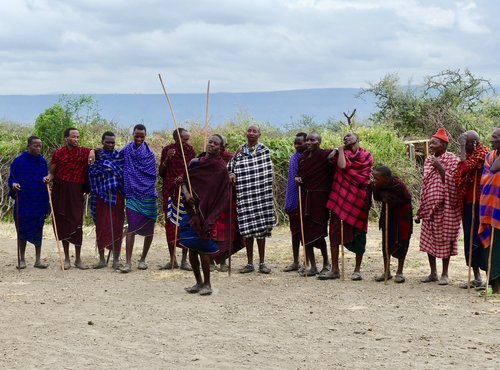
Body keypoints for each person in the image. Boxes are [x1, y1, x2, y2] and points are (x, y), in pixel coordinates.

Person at [178, 135, 230, 295]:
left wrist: (212, 216)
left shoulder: (221, 168)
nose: (212, 145)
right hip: (191, 210)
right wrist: (187, 195)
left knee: (203, 249)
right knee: (191, 246)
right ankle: (198, 282)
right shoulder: (195, 163)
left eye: (216, 144)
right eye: (210, 142)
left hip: (207, 213)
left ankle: (207, 284)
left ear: (221, 149)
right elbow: (182, 180)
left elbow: (223, 195)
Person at [321, 132, 373, 280]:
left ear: (358, 138)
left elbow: (365, 177)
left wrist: (340, 150)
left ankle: (357, 270)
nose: (346, 138)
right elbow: (342, 165)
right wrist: (340, 150)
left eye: (349, 136)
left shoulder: (366, 156)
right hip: (340, 198)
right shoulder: (340, 154)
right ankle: (335, 269)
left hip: (359, 199)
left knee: (359, 233)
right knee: (334, 233)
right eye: (344, 137)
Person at [416, 128, 461, 285]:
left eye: (434, 143)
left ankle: (445, 273)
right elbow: (425, 184)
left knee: (445, 240)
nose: (431, 145)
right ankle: (433, 272)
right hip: (429, 208)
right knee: (429, 240)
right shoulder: (428, 160)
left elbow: (455, 183)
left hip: (445, 207)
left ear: (443, 144)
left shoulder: (452, 159)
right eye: (431, 142)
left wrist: (440, 167)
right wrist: (421, 208)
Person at [228, 125, 275, 274]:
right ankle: (249, 263)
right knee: (247, 231)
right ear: (245, 133)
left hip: (261, 196)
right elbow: (230, 167)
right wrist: (232, 174)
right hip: (245, 195)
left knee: (261, 231)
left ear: (259, 134)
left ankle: (262, 263)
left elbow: (267, 171)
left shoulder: (263, 150)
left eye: (254, 131)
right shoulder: (240, 151)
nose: (251, 133)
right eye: (249, 130)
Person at [47, 127, 92, 270]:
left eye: (78, 137)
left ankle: (78, 259)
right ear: (66, 138)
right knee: (63, 222)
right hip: (60, 192)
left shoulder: (84, 151)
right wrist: (48, 178)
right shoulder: (58, 153)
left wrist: (92, 152)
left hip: (76, 191)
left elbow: (97, 151)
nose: (76, 139)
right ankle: (66, 259)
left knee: (78, 224)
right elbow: (52, 173)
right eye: (73, 137)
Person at [119, 124, 158, 273]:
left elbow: (151, 175)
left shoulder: (150, 154)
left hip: (148, 195)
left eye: (142, 135)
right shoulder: (126, 150)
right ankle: (128, 263)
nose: (139, 138)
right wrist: (93, 152)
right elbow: (115, 158)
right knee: (132, 227)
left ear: (145, 136)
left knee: (149, 229)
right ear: (133, 134)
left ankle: (142, 259)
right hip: (132, 195)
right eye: (137, 135)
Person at [8, 136, 50, 269]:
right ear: (28, 146)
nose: (38, 148)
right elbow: (11, 179)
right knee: (22, 230)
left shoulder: (42, 161)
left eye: (40, 146)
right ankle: (22, 260)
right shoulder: (19, 161)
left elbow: (45, 177)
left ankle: (38, 260)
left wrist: (47, 179)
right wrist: (14, 185)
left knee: (38, 228)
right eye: (35, 146)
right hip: (24, 200)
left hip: (38, 201)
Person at [455, 131, 489, 288]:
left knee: (481, 238)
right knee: (469, 239)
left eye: (466, 144)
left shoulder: (483, 153)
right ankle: (476, 278)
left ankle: (490, 278)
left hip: (481, 204)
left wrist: (462, 148)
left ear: (474, 143)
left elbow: (465, 167)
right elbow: (459, 172)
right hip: (467, 204)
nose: (464, 148)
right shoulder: (469, 155)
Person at [295, 133, 332, 276]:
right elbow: (300, 174)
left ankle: (326, 263)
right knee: (305, 233)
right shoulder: (303, 157)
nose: (309, 142)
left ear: (319, 142)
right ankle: (313, 266)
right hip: (304, 197)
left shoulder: (325, 154)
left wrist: (334, 152)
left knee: (318, 232)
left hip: (319, 198)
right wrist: (298, 178)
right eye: (308, 140)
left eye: (313, 140)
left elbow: (336, 151)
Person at [159, 128, 195, 271]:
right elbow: (161, 172)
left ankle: (185, 261)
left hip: (185, 191)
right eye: (184, 139)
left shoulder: (190, 151)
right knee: (170, 225)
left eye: (187, 139)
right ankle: (172, 259)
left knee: (184, 224)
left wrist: (183, 178)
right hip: (170, 191)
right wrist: (168, 158)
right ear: (175, 138)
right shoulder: (168, 150)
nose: (186, 142)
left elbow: (192, 170)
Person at [88, 131, 125, 269]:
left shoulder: (119, 156)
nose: (110, 144)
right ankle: (102, 259)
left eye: (112, 142)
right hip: (100, 196)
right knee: (101, 226)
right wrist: (93, 151)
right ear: (102, 142)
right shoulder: (96, 156)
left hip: (117, 196)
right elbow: (92, 173)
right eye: (108, 142)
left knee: (117, 227)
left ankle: (116, 260)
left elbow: (123, 175)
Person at [372, 166, 413, 283]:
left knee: (401, 242)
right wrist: (382, 197)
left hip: (401, 217)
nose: (374, 180)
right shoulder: (379, 186)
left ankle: (399, 272)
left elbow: (407, 199)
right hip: (388, 216)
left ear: (386, 178)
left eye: (377, 178)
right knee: (386, 242)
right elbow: (377, 196)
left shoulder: (398, 186)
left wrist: (390, 199)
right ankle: (386, 271)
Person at [477, 128, 500, 294]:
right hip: (489, 207)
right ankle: (495, 286)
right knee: (490, 247)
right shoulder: (490, 157)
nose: (491, 141)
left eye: (496, 138)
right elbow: (488, 174)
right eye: (492, 137)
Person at [282, 132, 307, 272]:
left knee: (305, 234)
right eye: (295, 143)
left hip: (304, 201)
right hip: (293, 201)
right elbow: (291, 183)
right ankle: (295, 261)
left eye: (300, 143)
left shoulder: (307, 158)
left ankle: (307, 262)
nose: (297, 145)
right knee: (294, 233)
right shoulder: (294, 157)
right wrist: (289, 202)